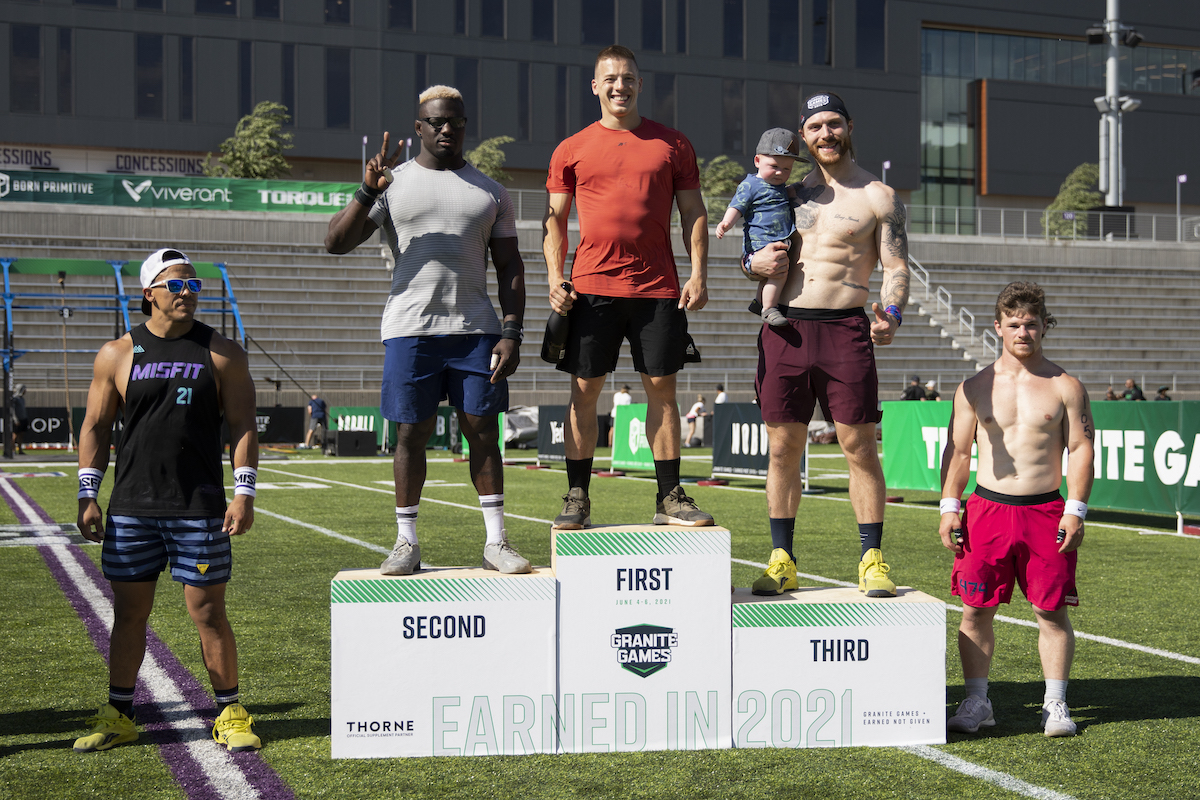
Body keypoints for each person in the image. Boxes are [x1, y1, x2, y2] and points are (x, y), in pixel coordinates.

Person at [325, 84, 530, 576]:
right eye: (435, 122)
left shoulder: (491, 191)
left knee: (482, 433)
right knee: (410, 435)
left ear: (464, 126)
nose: (445, 129)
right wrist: (367, 190)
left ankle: (496, 542)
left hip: (476, 331)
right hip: (410, 330)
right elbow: (335, 242)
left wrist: (512, 331)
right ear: (419, 126)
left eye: (455, 122)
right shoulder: (391, 185)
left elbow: (509, 267)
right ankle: (405, 543)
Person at [73, 248, 262, 753]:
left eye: (193, 285)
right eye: (176, 284)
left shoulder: (223, 352)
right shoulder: (117, 353)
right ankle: (118, 713)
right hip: (132, 507)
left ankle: (230, 712)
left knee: (208, 611)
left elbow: (243, 424)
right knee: (130, 614)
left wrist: (244, 492)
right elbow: (95, 426)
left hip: (198, 507)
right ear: (149, 292)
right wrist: (87, 494)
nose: (187, 292)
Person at [745, 92, 910, 598]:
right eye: (815, 127)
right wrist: (752, 266)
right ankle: (782, 559)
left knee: (858, 446)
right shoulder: (786, 195)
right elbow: (752, 253)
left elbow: (897, 267)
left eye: (833, 124)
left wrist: (893, 313)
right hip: (786, 327)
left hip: (844, 327)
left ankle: (872, 559)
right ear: (804, 134)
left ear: (849, 126)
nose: (825, 134)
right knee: (781, 449)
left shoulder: (878, 196)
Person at [543, 45, 713, 530]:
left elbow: (694, 213)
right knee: (584, 391)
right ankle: (577, 496)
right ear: (595, 86)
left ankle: (670, 498)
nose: (620, 86)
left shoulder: (673, 144)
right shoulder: (570, 148)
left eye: (629, 78)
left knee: (662, 390)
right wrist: (556, 278)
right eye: (610, 78)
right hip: (590, 288)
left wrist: (698, 272)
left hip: (658, 288)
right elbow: (554, 220)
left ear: (640, 84)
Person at [939, 281, 1093, 737]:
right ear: (998, 327)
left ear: (1045, 326)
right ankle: (977, 700)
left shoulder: (1066, 386)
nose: (1023, 331)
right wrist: (949, 507)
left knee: (1051, 612)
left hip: (1046, 511)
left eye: (1031, 323)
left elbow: (1081, 449)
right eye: (1014, 324)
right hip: (986, 509)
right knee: (974, 610)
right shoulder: (973, 387)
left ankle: (1055, 704)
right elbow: (959, 452)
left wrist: (1076, 509)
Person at [715, 128, 807, 327]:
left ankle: (759, 303)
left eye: (786, 169)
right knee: (778, 273)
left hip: (778, 240)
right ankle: (769, 309)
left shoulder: (780, 187)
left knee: (770, 275)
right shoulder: (750, 185)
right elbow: (737, 206)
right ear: (757, 161)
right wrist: (726, 223)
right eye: (773, 166)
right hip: (760, 243)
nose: (779, 173)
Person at [9, 382, 28, 455]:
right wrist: (15, 419)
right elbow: (12, 410)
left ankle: (20, 450)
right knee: (15, 435)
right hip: (17, 419)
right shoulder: (15, 398)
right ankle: (13, 450)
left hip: (23, 418)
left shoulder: (22, 399)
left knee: (21, 435)